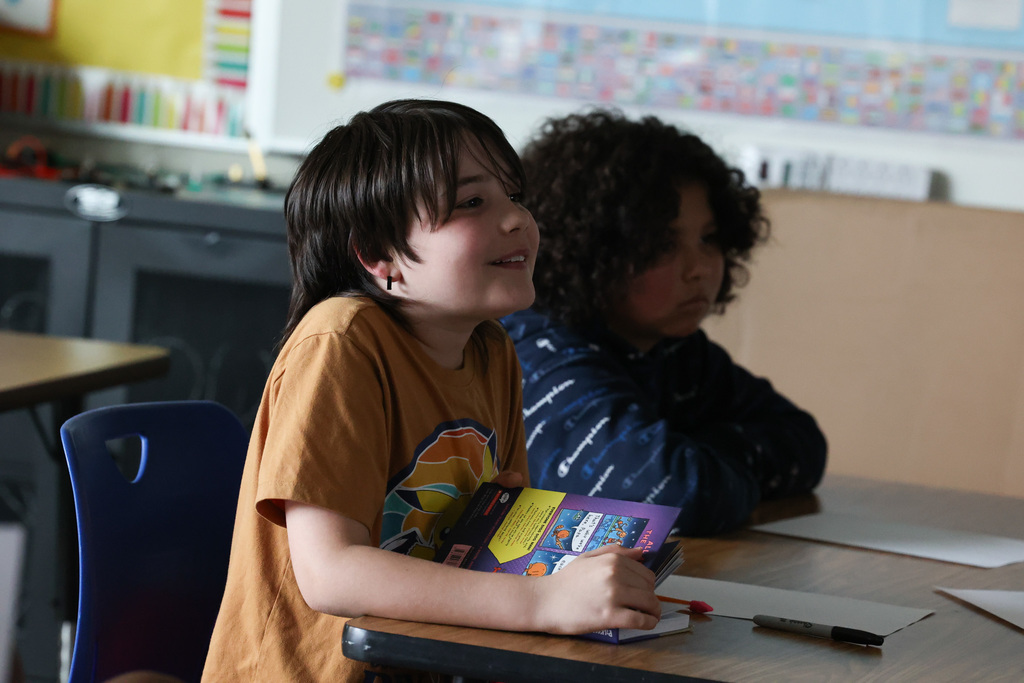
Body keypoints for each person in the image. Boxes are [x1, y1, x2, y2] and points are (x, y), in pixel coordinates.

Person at [201, 100, 662, 682]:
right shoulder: (341, 343)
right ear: (380, 257)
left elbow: (501, 526)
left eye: (513, 195)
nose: (516, 219)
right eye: (472, 203)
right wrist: (546, 602)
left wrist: (584, 569)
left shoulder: (491, 348)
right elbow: (332, 575)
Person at [501, 108, 827, 536]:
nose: (699, 269)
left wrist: (694, 450)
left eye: (708, 239)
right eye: (663, 246)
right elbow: (673, 494)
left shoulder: (672, 351)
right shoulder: (541, 353)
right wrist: (696, 455)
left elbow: (803, 444)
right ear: (590, 253)